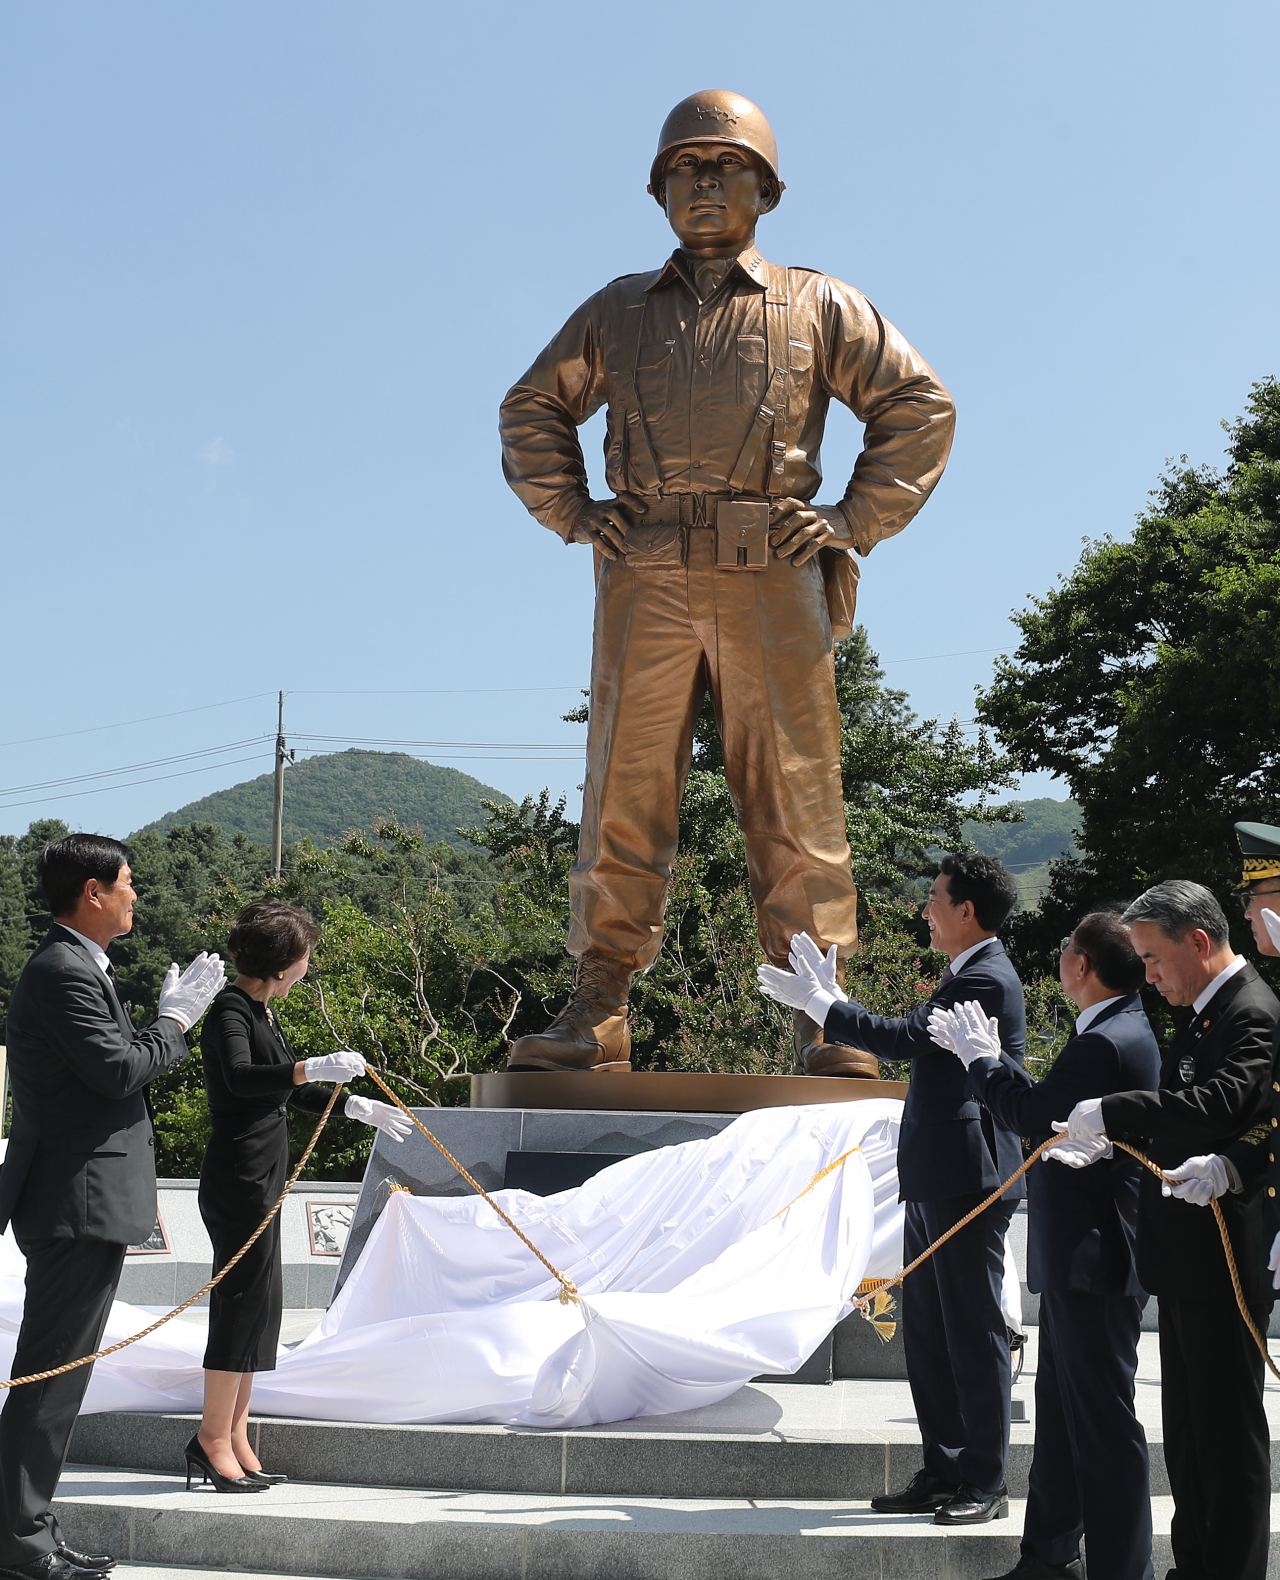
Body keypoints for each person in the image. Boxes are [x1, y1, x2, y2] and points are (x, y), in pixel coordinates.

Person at [499, 89, 955, 1077]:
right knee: (623, 788)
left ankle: (820, 1006)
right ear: (658, 188)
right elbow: (533, 405)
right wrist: (574, 510)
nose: (701, 182)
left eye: (723, 165)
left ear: (764, 186)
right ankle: (598, 1003)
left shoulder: (815, 302)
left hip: (770, 565)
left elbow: (916, 402)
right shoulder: (615, 310)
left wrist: (846, 520)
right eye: (683, 168)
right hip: (645, 568)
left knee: (793, 792)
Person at [758, 852, 1026, 1523]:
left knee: (972, 1332)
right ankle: (944, 1468)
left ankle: (986, 1482)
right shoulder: (964, 972)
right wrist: (832, 1003)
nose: (925, 909)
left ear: (967, 910)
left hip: (970, 1180)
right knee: (930, 1333)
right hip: (938, 1174)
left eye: (935, 898)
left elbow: (907, 1040)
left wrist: (826, 1004)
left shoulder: (987, 980)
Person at [0, 835, 225, 1580]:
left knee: (57, 1380)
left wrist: (161, 1020)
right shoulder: (63, 970)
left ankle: (30, 1532)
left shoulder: (77, 966)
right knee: (51, 1380)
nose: (137, 895)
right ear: (93, 892)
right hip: (74, 1200)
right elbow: (118, 1071)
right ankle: (22, 1543)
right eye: (129, 884)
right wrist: (177, 1020)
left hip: (79, 1199)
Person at [1055, 879, 1278, 1580]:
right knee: (1186, 1440)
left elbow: (1216, 1106)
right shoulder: (1208, 1011)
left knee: (1226, 1440)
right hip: (1188, 1257)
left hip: (1225, 1258)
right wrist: (1115, 1134)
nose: (1148, 975)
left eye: (1154, 958)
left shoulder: (1252, 1011)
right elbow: (1185, 1108)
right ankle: (1195, 1566)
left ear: (1200, 943)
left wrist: (1115, 1111)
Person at [929, 912, 1160, 1580]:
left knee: (1105, 1429)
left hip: (1095, 1258)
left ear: (1082, 966)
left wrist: (982, 1060)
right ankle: (1050, 1555)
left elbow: (1032, 1117)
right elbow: (1052, 1108)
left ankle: (1124, 1570)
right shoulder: (1110, 1028)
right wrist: (995, 1061)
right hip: (1080, 1258)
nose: (1061, 959)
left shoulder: (1107, 1039)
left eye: (1066, 950)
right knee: (1061, 1417)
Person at [191, 901, 412, 1492]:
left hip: (262, 1177)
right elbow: (243, 1078)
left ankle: (236, 1430)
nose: (308, 967)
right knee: (238, 1303)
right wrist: (312, 1068)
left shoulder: (262, 1012)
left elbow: (285, 1088)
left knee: (263, 1309)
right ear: (285, 963)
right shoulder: (231, 1010)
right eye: (306, 957)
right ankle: (210, 1436)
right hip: (238, 1178)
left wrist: (354, 1107)